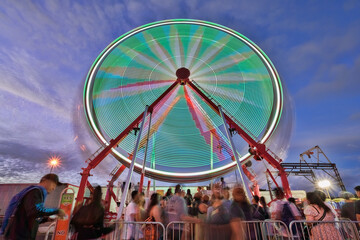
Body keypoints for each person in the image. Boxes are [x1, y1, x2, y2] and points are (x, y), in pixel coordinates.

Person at [1, 174, 66, 240]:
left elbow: (31, 217)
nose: (54, 188)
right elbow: (35, 211)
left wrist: (46, 219)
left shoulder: (38, 193)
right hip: (18, 236)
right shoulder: (35, 192)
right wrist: (57, 211)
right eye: (53, 184)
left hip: (21, 235)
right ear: (45, 181)